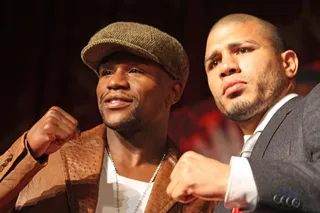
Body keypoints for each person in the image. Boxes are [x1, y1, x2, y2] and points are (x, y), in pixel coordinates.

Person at [0, 22, 215, 213]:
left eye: (134, 71)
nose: (114, 82)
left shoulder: (195, 192)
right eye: (107, 73)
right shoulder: (49, 159)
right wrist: (27, 150)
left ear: (173, 92)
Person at [166, 13, 320, 213]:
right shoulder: (222, 202)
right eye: (214, 63)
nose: (226, 67)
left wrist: (231, 179)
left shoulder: (314, 105)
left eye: (242, 50)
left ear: (288, 64)